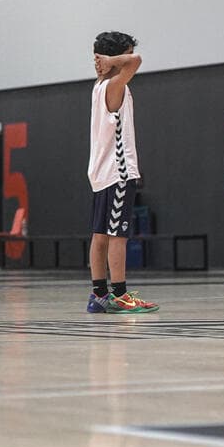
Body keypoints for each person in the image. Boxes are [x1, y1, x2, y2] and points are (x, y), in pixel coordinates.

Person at [86, 32, 158, 314]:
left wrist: (108, 61)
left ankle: (99, 295)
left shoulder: (99, 86)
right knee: (117, 236)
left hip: (101, 173)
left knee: (100, 235)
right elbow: (136, 60)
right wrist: (112, 60)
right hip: (118, 172)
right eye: (122, 54)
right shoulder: (114, 85)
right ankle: (119, 294)